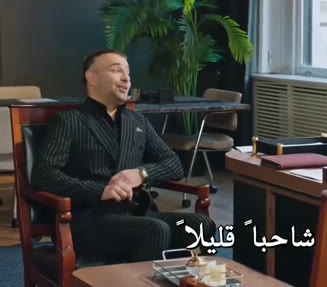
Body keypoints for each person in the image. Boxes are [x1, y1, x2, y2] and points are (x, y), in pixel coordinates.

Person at [31, 50, 215, 263]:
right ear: (92, 77)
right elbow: (44, 174)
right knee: (155, 230)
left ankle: (185, 278)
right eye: (116, 70)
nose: (126, 78)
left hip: (138, 214)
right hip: (90, 220)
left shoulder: (138, 121)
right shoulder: (69, 121)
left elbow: (174, 164)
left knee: (201, 225)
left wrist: (141, 173)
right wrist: (101, 191)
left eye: (128, 72)